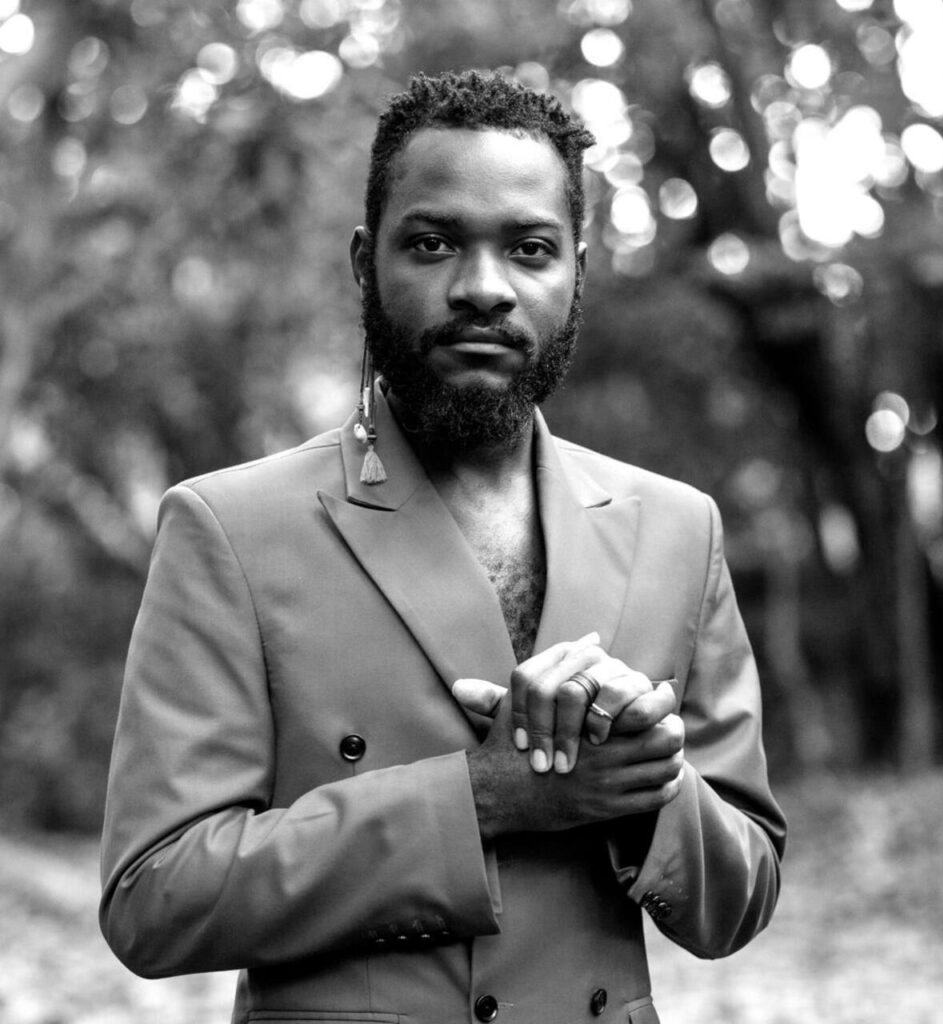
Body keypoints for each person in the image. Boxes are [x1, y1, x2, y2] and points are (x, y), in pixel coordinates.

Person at [100, 69, 786, 1024]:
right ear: (364, 263)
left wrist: (646, 788)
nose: (483, 289)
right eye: (432, 243)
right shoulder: (230, 527)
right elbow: (153, 897)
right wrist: (483, 800)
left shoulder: (677, 528)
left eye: (530, 249)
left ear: (578, 271)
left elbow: (743, 899)